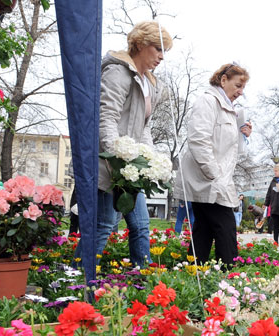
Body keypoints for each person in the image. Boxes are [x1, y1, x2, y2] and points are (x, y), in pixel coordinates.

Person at [87, 21, 172, 267]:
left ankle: (140, 281)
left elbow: (143, 128)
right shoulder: (118, 72)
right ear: (140, 43)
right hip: (107, 165)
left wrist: (147, 160)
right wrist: (119, 158)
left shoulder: (149, 83)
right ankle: (77, 282)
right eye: (158, 48)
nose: (161, 57)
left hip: (131, 169)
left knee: (141, 226)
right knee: (103, 226)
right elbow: (107, 118)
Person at [175, 63, 252, 265]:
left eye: (243, 88)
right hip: (208, 180)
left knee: (204, 229)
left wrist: (242, 135)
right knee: (225, 228)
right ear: (223, 79)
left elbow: (230, 150)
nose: (240, 92)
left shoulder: (229, 109)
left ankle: (194, 272)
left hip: (216, 179)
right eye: (237, 86)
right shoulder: (207, 101)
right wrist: (214, 174)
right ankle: (229, 277)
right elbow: (198, 140)